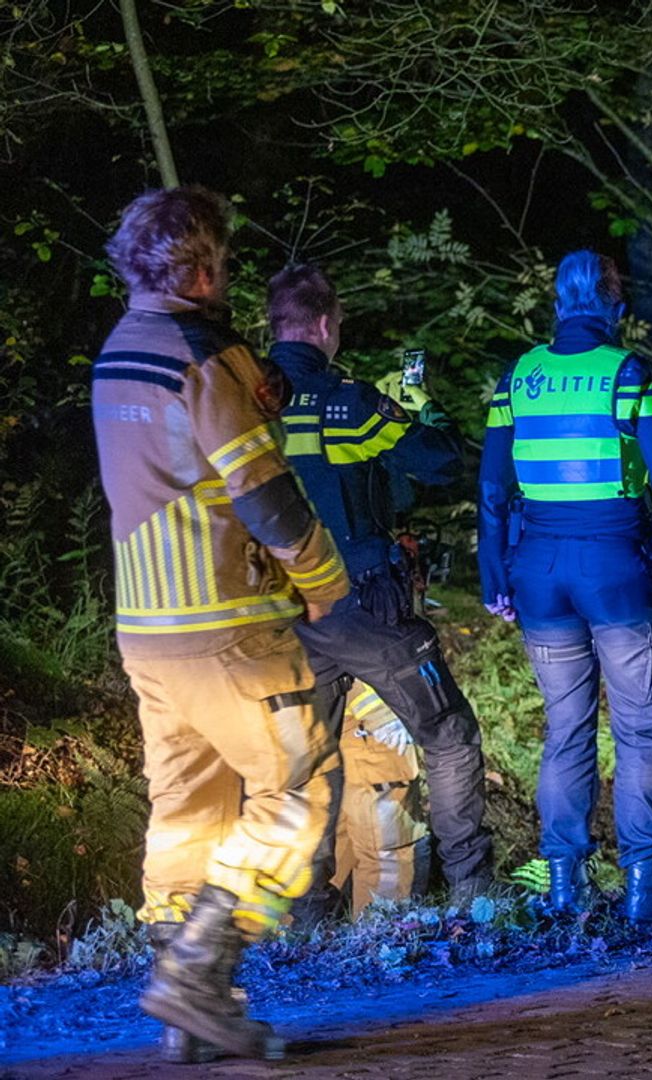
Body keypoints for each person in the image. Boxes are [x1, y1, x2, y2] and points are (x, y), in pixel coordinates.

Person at [94, 186, 348, 1060]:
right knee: (297, 790)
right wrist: (322, 577)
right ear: (201, 268)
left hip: (147, 627)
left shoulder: (122, 348)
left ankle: (185, 1005)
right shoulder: (205, 357)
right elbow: (265, 493)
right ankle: (200, 971)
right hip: (228, 623)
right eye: (226, 262)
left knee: (187, 808)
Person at [477, 250, 652, 923]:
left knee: (565, 727)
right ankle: (646, 892)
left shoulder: (518, 378)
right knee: (641, 730)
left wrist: (495, 575)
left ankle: (564, 888)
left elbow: (494, 488)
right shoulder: (627, 375)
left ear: (558, 302)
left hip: (539, 575)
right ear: (617, 306)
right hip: (616, 571)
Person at [265, 263, 495, 904]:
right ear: (322, 324)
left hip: (284, 614)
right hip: (367, 604)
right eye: (335, 323)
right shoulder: (351, 402)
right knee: (449, 736)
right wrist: (424, 406)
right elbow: (442, 461)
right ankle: (475, 893)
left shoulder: (245, 406)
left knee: (305, 767)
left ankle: (305, 915)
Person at [331, 681, 431, 912]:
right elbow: (350, 645)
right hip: (370, 725)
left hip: (319, 716)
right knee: (387, 854)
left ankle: (286, 941)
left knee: (326, 848)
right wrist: (381, 712)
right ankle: (380, 938)